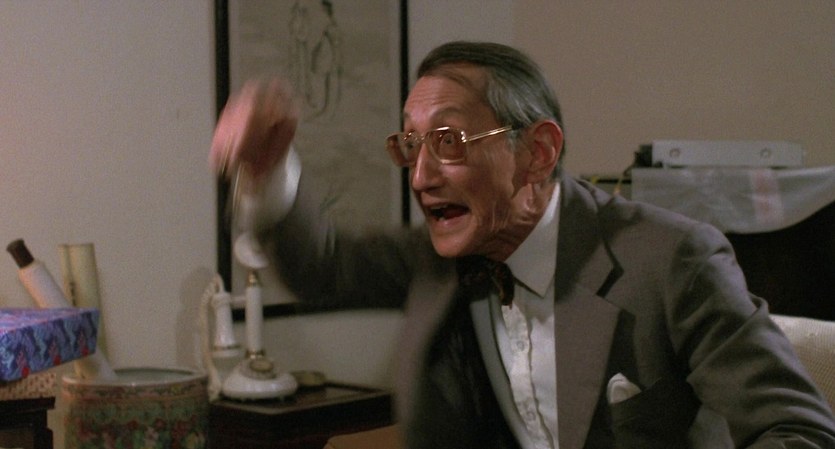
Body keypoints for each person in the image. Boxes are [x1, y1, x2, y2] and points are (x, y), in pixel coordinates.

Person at [209, 41, 835, 448]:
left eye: (448, 142)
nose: (421, 177)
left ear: (537, 152)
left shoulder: (673, 260)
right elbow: (321, 269)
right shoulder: (436, 259)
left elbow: (796, 429)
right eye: (411, 145)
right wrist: (267, 169)